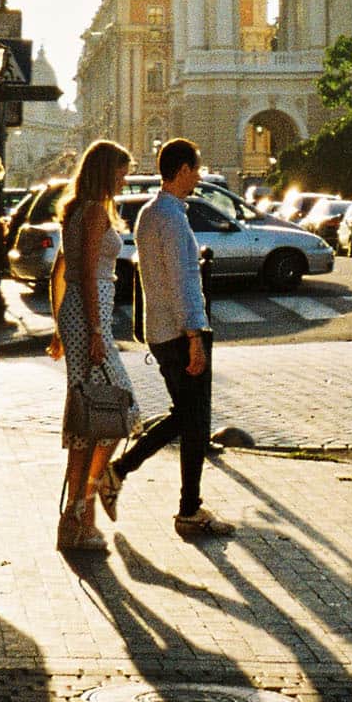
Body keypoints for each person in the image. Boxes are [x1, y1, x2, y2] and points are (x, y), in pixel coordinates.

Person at [110, 138, 227, 537]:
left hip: (161, 330)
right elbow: (183, 281)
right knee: (192, 420)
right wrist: (195, 334)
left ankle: (184, 503)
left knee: (188, 418)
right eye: (196, 168)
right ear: (181, 171)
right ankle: (178, 504)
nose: (199, 175)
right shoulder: (173, 219)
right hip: (181, 332)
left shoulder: (149, 213)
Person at [52, 140, 139, 553]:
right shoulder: (91, 213)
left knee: (89, 418)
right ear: (106, 171)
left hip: (83, 315)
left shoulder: (81, 210)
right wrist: (93, 331)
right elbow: (84, 272)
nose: (124, 179)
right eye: (121, 172)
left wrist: (61, 326)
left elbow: (60, 270)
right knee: (119, 411)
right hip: (90, 315)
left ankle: (76, 517)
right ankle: (86, 502)